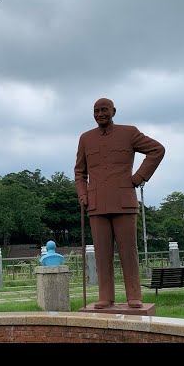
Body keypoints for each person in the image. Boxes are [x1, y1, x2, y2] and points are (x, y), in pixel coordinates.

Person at [74, 98, 165, 309]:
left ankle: (133, 295)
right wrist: (82, 195)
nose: (100, 114)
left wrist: (139, 177)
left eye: (104, 110)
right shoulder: (85, 139)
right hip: (96, 205)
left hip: (124, 202)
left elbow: (157, 150)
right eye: (96, 111)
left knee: (128, 251)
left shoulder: (129, 133)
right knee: (101, 253)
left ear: (114, 111)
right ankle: (105, 296)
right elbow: (80, 172)